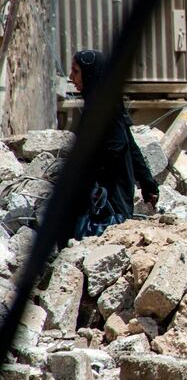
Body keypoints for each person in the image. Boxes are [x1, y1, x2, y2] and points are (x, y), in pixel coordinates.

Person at [67, 50, 159, 241]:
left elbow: (118, 145)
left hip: (109, 201)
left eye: (76, 72)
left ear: (89, 73)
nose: (71, 77)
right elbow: (130, 145)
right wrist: (148, 184)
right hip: (113, 198)